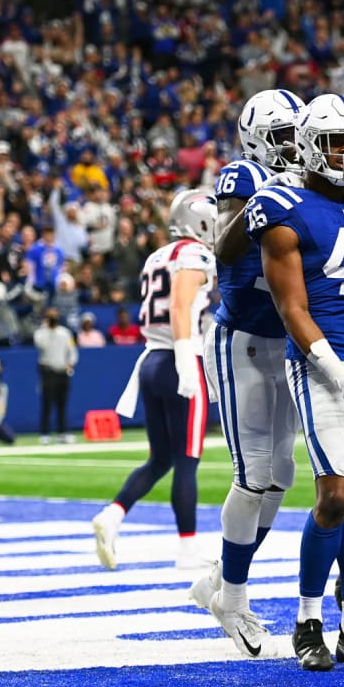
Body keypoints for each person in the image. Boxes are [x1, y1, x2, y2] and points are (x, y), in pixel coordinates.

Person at [245, 93, 344, 670]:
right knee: (335, 494)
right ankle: (308, 621)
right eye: (335, 140)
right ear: (309, 142)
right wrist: (335, 370)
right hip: (320, 362)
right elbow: (292, 307)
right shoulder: (281, 206)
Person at [190, 89, 304, 658]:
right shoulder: (244, 175)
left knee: (281, 473)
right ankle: (232, 599)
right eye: (283, 134)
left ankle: (222, 574)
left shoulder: (309, 178)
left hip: (287, 341)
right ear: (259, 138)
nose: (292, 145)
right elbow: (223, 243)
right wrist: (273, 196)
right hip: (242, 341)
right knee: (253, 470)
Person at [94, 189, 216, 571]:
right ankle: (187, 550)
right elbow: (180, 306)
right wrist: (185, 360)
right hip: (181, 357)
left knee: (161, 457)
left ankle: (113, 515)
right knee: (187, 461)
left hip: (151, 360)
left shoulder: (157, 255)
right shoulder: (193, 254)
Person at [33, 307, 77, 444]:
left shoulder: (65, 333)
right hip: (48, 371)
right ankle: (45, 433)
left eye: (54, 315)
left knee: (62, 403)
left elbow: (72, 351)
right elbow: (41, 345)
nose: (53, 318)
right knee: (47, 403)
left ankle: (62, 432)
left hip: (62, 371)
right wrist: (47, 329)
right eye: (50, 316)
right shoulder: (41, 333)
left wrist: (71, 363)